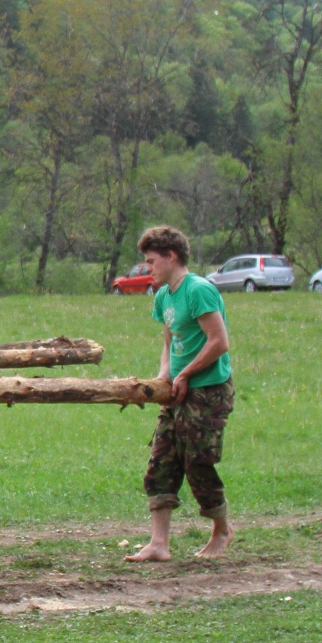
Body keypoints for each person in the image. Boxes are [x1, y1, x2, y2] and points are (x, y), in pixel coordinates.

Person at [125, 225, 234, 562]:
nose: (148, 268)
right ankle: (159, 544)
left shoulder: (198, 290)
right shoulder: (163, 296)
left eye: (152, 261)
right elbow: (170, 342)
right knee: (161, 461)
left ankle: (222, 531)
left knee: (198, 462)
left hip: (208, 391)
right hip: (178, 390)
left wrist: (185, 374)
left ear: (171, 257)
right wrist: (163, 379)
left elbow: (219, 342)